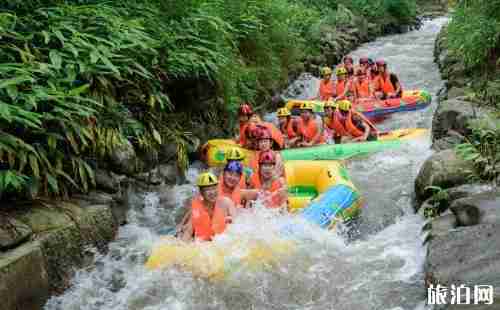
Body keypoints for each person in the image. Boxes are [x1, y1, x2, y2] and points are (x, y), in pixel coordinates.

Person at [179, 172, 238, 241]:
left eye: (214, 188)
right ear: (201, 192)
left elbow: (237, 223)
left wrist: (231, 220)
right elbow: (188, 232)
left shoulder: (226, 202)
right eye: (208, 190)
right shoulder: (197, 209)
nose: (212, 192)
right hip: (204, 244)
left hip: (222, 241)